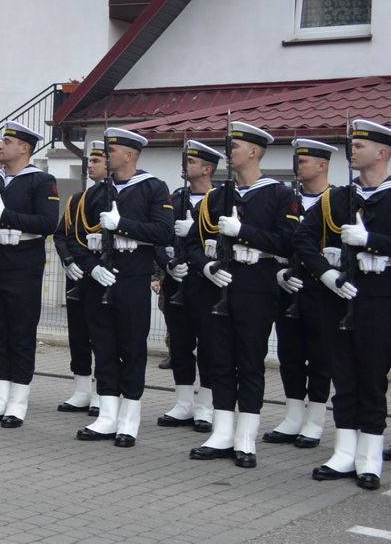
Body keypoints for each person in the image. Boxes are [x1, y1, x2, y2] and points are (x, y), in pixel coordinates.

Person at [295, 117, 391, 490]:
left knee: (372, 377)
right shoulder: (336, 198)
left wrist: (371, 242)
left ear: (382, 153)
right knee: (344, 376)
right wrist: (325, 274)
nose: (353, 150)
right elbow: (303, 240)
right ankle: (344, 451)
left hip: (380, 300)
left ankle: (369, 456)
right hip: (338, 298)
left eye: (361, 145)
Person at [189, 122, 288, 468]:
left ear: (255, 152)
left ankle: (245, 436)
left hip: (257, 284)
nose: (229, 152)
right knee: (219, 360)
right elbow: (192, 244)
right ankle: (222, 432)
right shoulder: (217, 197)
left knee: (249, 361)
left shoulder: (278, 195)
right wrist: (206, 267)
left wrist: (244, 232)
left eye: (236, 146)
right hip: (220, 285)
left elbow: (288, 243)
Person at [70, 127, 172, 449]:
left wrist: (123, 225)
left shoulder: (153, 188)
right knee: (103, 347)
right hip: (100, 277)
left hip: (132, 278)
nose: (105, 155)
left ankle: (129, 418)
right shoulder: (97, 193)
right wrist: (92, 267)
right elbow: (77, 239)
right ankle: (107, 415)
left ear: (129, 155)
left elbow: (163, 232)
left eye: (111, 151)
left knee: (131, 347)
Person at [0, 121, 60, 428]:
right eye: (2, 140)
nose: (0, 145)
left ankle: (18, 401)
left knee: (20, 334)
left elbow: (48, 223)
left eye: (7, 141)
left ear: (25, 148)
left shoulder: (41, 181)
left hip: (23, 262)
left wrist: (6, 216)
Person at [265, 139, 337, 448]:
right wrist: (278, 272)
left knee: (320, 355)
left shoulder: (337, 201)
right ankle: (293, 416)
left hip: (322, 289)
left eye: (304, 161)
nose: (298, 166)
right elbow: (276, 242)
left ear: (322, 165)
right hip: (288, 286)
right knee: (290, 354)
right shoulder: (288, 200)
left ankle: (315, 420)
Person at [155, 141, 222, 432]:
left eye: (192, 161)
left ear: (207, 169)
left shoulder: (221, 200)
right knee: (180, 344)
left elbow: (226, 241)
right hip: (176, 281)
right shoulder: (176, 198)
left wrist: (194, 232)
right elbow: (160, 236)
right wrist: (167, 264)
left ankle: (206, 405)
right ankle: (183, 403)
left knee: (209, 345)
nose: (186, 165)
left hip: (207, 283)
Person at [52, 140, 105, 414]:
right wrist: (68, 260)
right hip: (78, 275)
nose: (90, 166)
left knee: (101, 336)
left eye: (96, 161)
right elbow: (61, 235)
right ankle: (82, 389)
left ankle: (101, 391)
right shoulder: (76, 200)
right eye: (89, 161)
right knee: (78, 333)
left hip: (102, 276)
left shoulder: (115, 199)